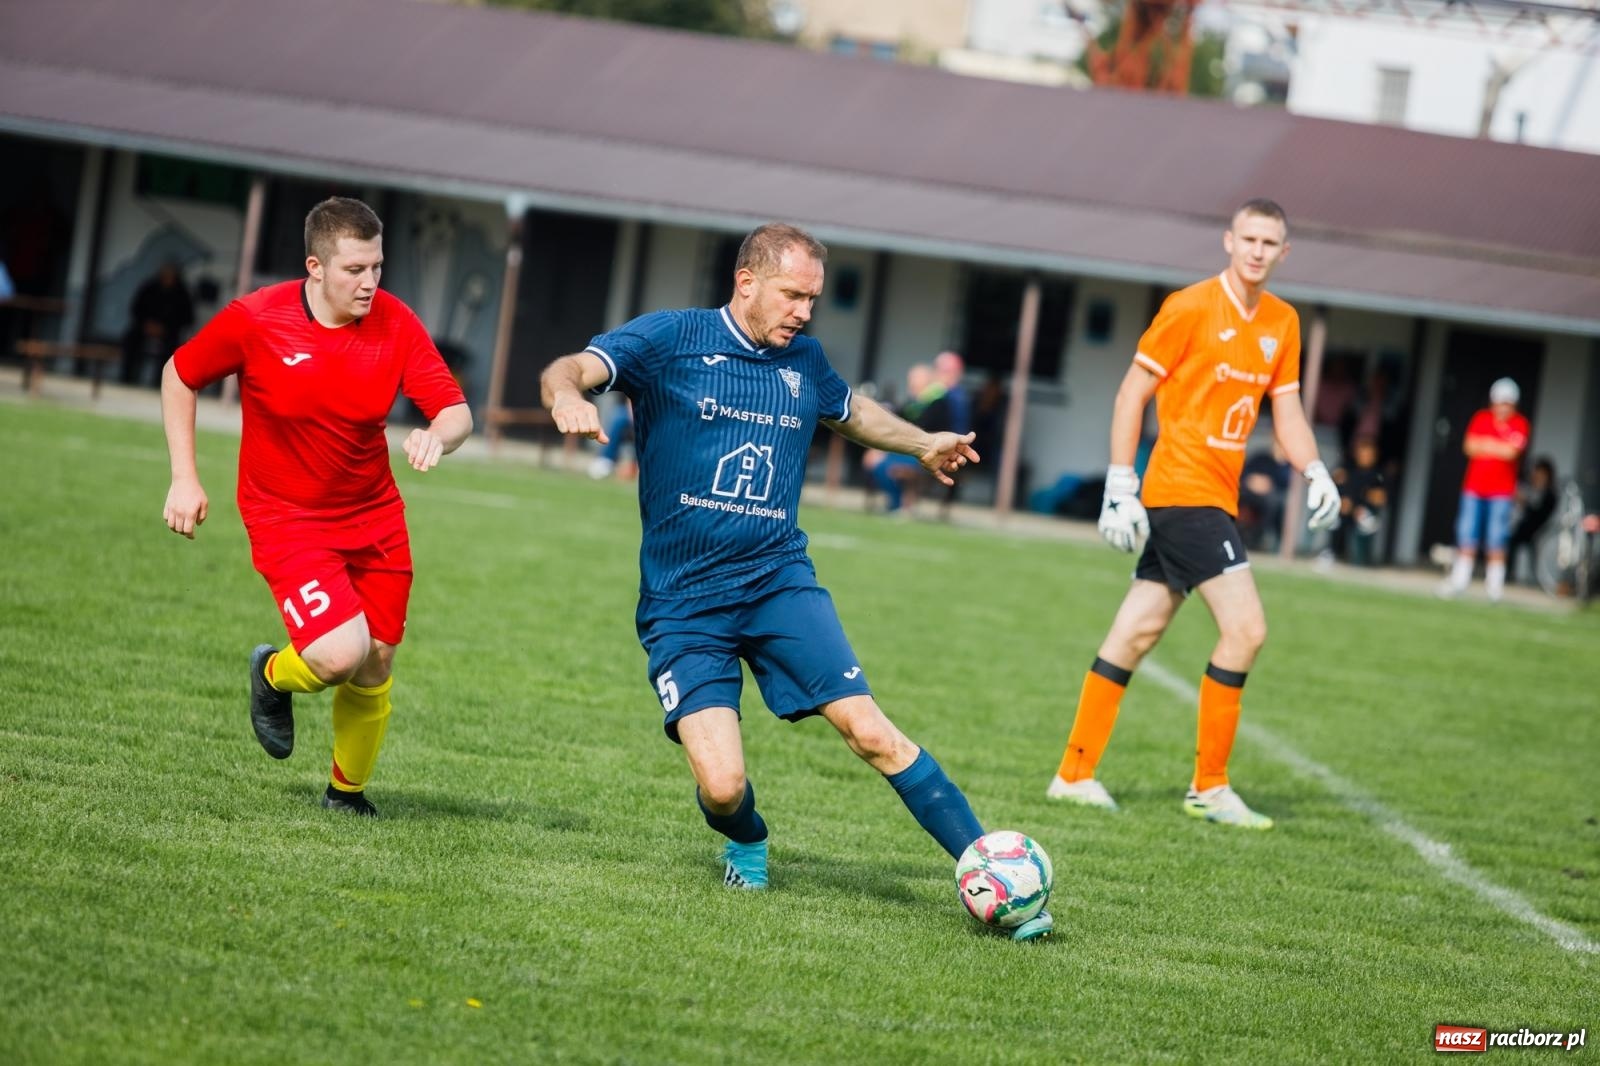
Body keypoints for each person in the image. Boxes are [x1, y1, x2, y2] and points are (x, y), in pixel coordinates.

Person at [539, 222, 1051, 940]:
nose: (805, 312)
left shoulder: (804, 360)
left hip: (778, 584)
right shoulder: (670, 339)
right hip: (684, 605)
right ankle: (747, 836)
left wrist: (923, 439)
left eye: (812, 298)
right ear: (746, 282)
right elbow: (567, 366)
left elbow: (851, 413)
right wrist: (567, 396)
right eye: (793, 295)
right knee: (721, 787)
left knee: (871, 732)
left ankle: (993, 874)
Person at [161, 197, 472, 817]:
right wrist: (184, 478)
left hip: (374, 514)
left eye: (377, 267)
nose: (370, 282)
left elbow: (457, 411)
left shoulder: (396, 321)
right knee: (337, 654)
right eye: (355, 269)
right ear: (315, 267)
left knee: (377, 657)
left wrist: (438, 435)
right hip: (286, 516)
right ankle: (274, 674)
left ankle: (346, 796)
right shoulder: (258, 319)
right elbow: (180, 373)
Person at [1046, 198, 1340, 830]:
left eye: (1271, 243)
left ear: (1283, 253)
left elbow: (1285, 413)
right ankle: (1210, 786)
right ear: (1229, 242)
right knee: (1247, 629)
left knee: (1135, 633)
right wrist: (1120, 482)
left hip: (1215, 496)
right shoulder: (1188, 307)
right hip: (1183, 493)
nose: (1259, 251)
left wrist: (1314, 469)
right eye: (1250, 238)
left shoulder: (1284, 323)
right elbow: (1133, 391)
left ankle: (1073, 774)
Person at [1439, 378, 1529, 603]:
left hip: (1501, 492)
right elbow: (1470, 446)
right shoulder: (1481, 418)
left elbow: (1511, 452)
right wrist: (1496, 446)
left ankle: (1494, 587)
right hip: (1474, 488)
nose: (1502, 406)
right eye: (1499, 402)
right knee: (1467, 534)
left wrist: (1487, 445)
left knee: (1496, 538)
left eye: (1507, 402)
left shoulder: (1520, 424)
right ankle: (1460, 581)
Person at [862, 363, 953, 513]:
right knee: (874, 460)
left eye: (915, 380)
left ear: (926, 382)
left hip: (924, 452)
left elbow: (923, 432)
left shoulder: (937, 403)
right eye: (910, 380)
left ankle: (898, 505)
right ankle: (896, 504)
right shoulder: (912, 404)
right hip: (907, 450)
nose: (911, 384)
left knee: (883, 464)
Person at [122, 262, 196, 387]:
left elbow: (187, 318)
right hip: (144, 329)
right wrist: (146, 325)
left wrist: (165, 328)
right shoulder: (149, 288)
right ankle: (127, 380)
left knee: (173, 350)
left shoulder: (182, 294)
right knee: (130, 339)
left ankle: (160, 384)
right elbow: (136, 309)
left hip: (169, 332)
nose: (167, 278)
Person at [1331, 436, 1387, 566]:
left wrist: (1358, 507)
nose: (1365, 457)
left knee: (1365, 520)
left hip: (1365, 512)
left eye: (1368, 454)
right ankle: (1332, 552)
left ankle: (1360, 561)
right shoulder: (1349, 469)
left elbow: (1380, 498)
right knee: (1335, 518)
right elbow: (1340, 486)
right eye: (1362, 453)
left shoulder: (1377, 475)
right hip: (1346, 510)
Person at [1507, 457, 1556, 584]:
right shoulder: (1528, 487)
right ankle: (1507, 572)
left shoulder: (1549, 495)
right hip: (1518, 525)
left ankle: (1509, 573)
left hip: (1534, 530)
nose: (1536, 475)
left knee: (1512, 538)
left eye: (1540, 472)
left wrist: (1525, 503)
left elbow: (1539, 515)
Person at [1237, 443, 1290, 551]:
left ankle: (1258, 538)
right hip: (1250, 494)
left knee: (1272, 502)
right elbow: (1244, 474)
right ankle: (1241, 537)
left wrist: (1269, 484)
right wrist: (1252, 481)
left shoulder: (1287, 465)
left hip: (1271, 499)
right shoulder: (1261, 457)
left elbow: (1286, 484)